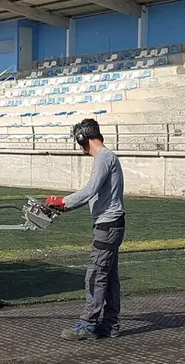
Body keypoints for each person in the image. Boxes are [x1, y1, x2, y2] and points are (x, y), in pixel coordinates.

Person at [46, 119, 126, 341]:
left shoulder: (103, 158)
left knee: (95, 275)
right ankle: (110, 324)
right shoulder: (108, 157)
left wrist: (63, 202)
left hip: (107, 226)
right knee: (109, 277)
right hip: (113, 224)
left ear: (82, 139)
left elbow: (91, 189)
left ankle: (88, 324)